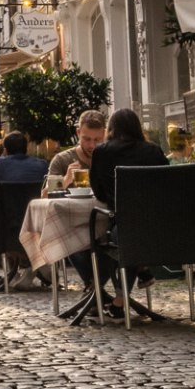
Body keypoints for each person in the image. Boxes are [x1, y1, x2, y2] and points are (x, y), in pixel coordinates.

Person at [74, 109, 170, 318]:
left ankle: (107, 295)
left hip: (125, 229)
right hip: (164, 231)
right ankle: (121, 298)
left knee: (118, 234)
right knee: (133, 231)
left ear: (111, 129)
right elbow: (167, 185)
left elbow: (98, 192)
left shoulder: (103, 152)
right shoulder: (154, 151)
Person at [50, 111, 108, 189]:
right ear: (78, 132)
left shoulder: (112, 160)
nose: (92, 145)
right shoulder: (62, 160)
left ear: (105, 134)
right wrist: (66, 180)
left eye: (97, 140)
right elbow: (45, 195)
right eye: (87, 139)